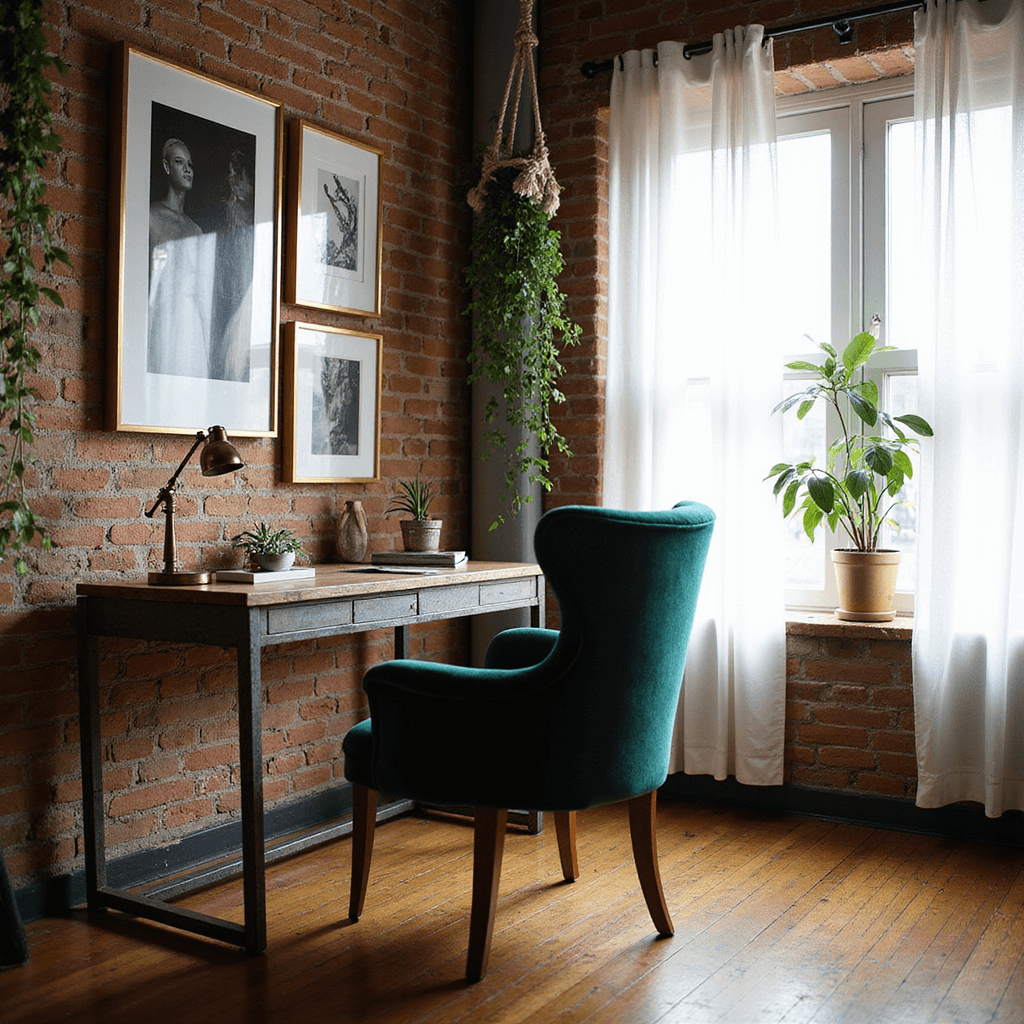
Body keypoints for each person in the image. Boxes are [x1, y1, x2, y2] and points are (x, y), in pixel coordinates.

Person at [147, 138, 214, 379]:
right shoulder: (151, 217)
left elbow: (202, 293)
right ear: (166, 167)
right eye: (179, 162)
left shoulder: (196, 230)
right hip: (163, 323)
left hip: (191, 329)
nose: (187, 169)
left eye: (190, 164)